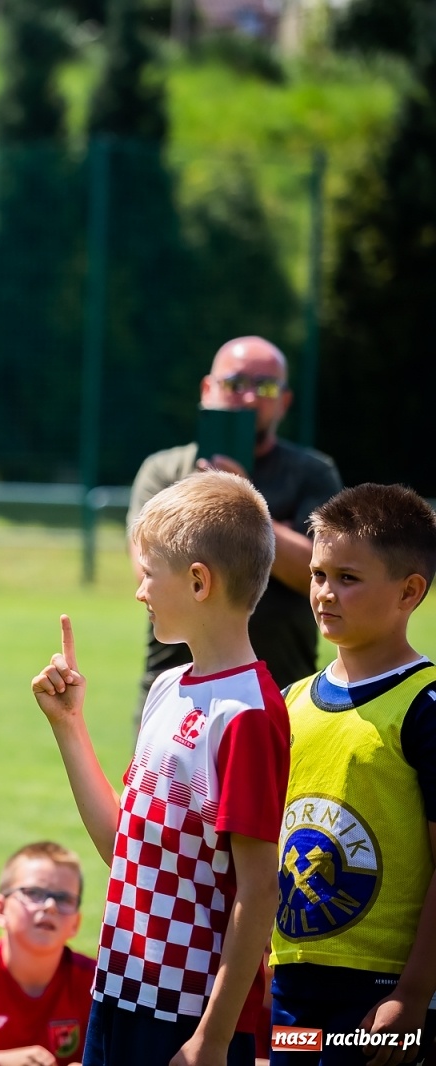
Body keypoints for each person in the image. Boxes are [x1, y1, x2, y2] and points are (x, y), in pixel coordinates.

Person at [31, 471, 289, 1066]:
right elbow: (123, 847)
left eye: (148, 573)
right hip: (118, 989)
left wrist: (214, 1037)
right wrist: (68, 726)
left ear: (199, 582)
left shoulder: (247, 714)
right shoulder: (169, 685)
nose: (139, 591)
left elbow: (259, 888)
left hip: (187, 1014)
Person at [269, 484, 436, 1065]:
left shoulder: (425, 706)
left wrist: (414, 994)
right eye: (317, 574)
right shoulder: (289, 702)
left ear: (409, 591)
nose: (324, 593)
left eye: (348, 578)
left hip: (380, 992)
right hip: (291, 988)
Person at [128, 337, 343, 702]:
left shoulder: (312, 473)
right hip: (174, 690)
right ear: (207, 388)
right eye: (235, 383)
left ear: (284, 401)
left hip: (283, 690)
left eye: (266, 386)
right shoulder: (164, 470)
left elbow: (316, 569)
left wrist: (240, 496)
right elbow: (149, 568)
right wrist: (280, 535)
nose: (248, 397)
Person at [0, 843, 96, 1066]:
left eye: (64, 899)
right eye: (33, 893)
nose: (50, 906)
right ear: (0, 909)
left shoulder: (97, 987)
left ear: (76, 923)